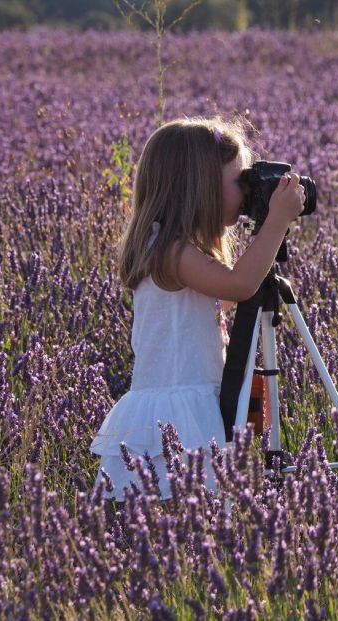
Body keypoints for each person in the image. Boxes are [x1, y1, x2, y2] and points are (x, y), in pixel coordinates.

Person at [90, 116, 305, 504]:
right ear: (199, 187)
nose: (246, 192)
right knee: (177, 511)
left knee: (182, 515)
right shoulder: (172, 252)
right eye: (239, 181)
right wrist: (276, 220)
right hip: (176, 414)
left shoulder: (172, 248)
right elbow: (241, 285)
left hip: (186, 402)